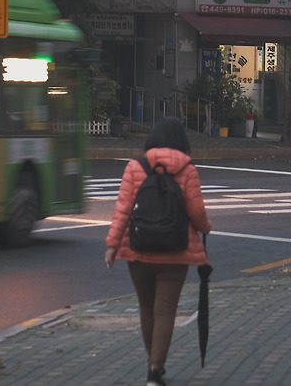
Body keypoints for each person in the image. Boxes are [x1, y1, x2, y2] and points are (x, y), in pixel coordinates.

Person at [105, 117, 212, 386]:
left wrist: (113, 245)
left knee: (146, 307)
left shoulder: (135, 167)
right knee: (165, 311)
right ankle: (155, 370)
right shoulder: (188, 169)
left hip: (138, 249)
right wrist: (205, 228)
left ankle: (153, 363)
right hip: (176, 252)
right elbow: (196, 212)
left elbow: (123, 210)